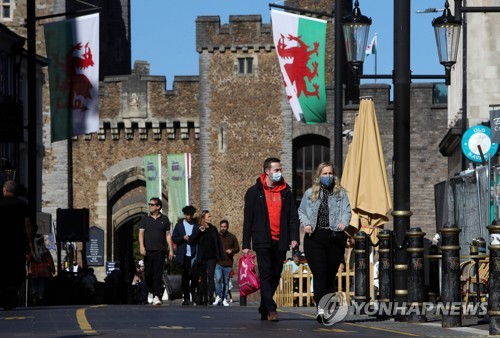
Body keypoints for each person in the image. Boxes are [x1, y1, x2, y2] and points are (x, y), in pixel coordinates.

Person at [242, 157, 300, 322]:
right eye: (276, 170)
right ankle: (271, 309)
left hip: (280, 240)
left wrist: (294, 237)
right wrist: (246, 244)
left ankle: (264, 306)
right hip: (262, 239)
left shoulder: (286, 191)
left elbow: (293, 217)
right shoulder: (254, 192)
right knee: (266, 273)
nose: (279, 173)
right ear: (267, 171)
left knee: (275, 274)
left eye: (280, 170)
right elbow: (248, 219)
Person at [298, 161, 354, 322]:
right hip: (315, 237)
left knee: (330, 275)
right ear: (319, 176)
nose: (328, 177)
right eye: (325, 174)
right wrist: (307, 224)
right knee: (320, 272)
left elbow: (347, 210)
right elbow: (301, 211)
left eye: (330, 174)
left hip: (335, 237)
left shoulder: (341, 193)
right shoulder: (310, 193)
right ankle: (321, 309)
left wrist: (344, 222)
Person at [0, 180, 34, 310]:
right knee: (17, 268)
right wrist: (30, 242)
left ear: (4, 190)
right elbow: (27, 224)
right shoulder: (22, 204)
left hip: (1, 243)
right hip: (16, 242)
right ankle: (12, 290)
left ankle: (5, 293)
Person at [138, 197, 174, 306]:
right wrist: (141, 247)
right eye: (149, 204)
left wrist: (171, 249)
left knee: (158, 273)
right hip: (148, 250)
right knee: (148, 273)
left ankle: (157, 296)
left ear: (158, 207)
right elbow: (141, 234)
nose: (150, 206)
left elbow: (168, 235)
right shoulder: (145, 219)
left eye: (152, 204)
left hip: (160, 250)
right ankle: (151, 291)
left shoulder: (165, 219)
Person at [189, 210, 224, 306]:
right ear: (203, 218)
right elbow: (192, 240)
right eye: (208, 217)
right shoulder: (198, 228)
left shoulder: (213, 229)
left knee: (211, 276)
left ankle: (210, 296)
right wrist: (200, 231)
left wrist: (220, 255)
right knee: (203, 278)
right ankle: (203, 297)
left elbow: (218, 243)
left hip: (212, 256)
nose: (210, 218)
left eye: (210, 216)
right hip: (202, 257)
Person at [172, 205, 199, 305]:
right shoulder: (179, 225)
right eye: (187, 215)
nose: (189, 217)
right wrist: (183, 238)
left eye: (190, 215)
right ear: (184, 214)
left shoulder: (196, 224)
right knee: (185, 276)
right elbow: (174, 238)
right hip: (183, 255)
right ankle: (186, 297)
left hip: (194, 254)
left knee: (195, 275)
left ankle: (193, 291)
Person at [213, 219, 240, 306]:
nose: (223, 228)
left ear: (227, 227)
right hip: (218, 262)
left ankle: (224, 298)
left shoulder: (232, 237)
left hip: (228, 263)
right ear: (220, 227)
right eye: (221, 227)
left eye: (225, 227)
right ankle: (218, 296)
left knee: (226, 282)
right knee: (218, 279)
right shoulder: (216, 236)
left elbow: (237, 248)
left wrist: (231, 250)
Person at [29, 235, 56, 306]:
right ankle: (40, 298)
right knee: (42, 286)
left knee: (35, 285)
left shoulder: (33, 252)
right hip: (45, 272)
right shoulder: (46, 251)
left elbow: (28, 260)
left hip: (34, 272)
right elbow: (50, 261)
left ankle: (34, 295)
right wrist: (53, 270)